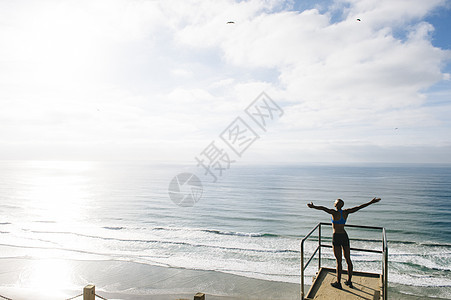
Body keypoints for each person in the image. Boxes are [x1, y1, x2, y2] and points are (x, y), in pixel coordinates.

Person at [307, 197, 381, 289]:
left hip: (337, 237)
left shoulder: (333, 212)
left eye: (335, 202)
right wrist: (371, 202)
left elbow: (323, 208)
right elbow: (359, 207)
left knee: (339, 261)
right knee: (348, 259)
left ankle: (338, 283)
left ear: (336, 205)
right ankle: (349, 281)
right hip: (344, 236)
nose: (334, 202)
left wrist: (313, 207)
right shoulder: (346, 212)